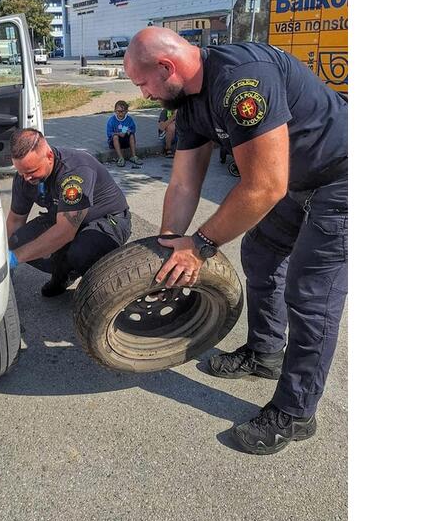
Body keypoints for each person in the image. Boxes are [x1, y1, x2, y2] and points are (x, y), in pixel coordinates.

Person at [123, 27, 347, 456]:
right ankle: (265, 353)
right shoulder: (188, 101)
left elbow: (263, 187)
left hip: (341, 177)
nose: (145, 93)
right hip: (295, 182)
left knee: (312, 294)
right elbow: (185, 183)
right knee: (261, 255)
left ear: (166, 67)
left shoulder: (243, 81)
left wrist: (201, 242)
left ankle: (297, 412)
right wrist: (170, 242)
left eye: (143, 83)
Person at [7, 128, 133, 297]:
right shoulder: (24, 178)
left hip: (108, 220)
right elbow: (15, 220)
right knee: (16, 241)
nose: (26, 178)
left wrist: (16, 257)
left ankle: (115, 286)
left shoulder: (74, 171)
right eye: (21, 172)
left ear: (49, 156)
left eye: (31, 171)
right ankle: (64, 273)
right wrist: (4, 256)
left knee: (81, 252)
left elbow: (65, 232)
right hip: (64, 218)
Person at [105, 100, 142, 167]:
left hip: (125, 141)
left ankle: (133, 156)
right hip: (114, 142)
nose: (120, 113)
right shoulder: (112, 120)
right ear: (115, 111)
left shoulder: (129, 119)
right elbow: (109, 133)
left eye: (122, 111)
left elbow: (133, 129)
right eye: (118, 111)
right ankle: (120, 158)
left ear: (126, 111)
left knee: (131, 135)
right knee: (115, 137)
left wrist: (129, 131)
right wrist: (118, 134)